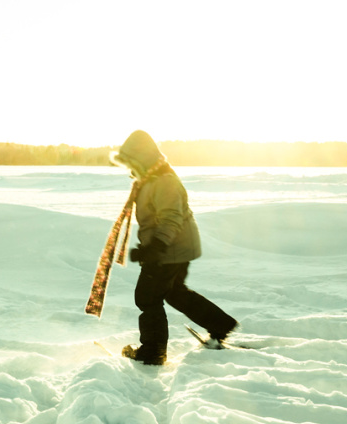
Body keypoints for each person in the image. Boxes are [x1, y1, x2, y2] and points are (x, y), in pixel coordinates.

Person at [86, 130, 237, 365]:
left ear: (142, 159)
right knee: (175, 292)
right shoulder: (150, 178)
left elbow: (171, 218)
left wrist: (155, 247)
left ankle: (153, 352)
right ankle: (220, 324)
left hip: (170, 249)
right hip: (176, 247)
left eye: (132, 162)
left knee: (147, 298)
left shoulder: (164, 181)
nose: (129, 168)